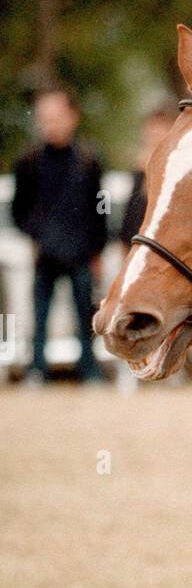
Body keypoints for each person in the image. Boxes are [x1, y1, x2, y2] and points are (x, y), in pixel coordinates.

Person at [12, 87, 107, 382]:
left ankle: (90, 371)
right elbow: (18, 210)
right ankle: (36, 370)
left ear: (72, 117)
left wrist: (96, 250)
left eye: (56, 116)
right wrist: (38, 235)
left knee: (85, 316)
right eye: (45, 118)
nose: (51, 124)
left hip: (81, 254)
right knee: (39, 317)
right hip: (46, 255)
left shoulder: (89, 161)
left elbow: (100, 208)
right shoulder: (28, 162)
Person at [119, 104, 176, 248]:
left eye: (159, 127)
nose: (153, 133)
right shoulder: (139, 169)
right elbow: (131, 214)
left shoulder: (174, 171)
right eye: (151, 128)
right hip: (136, 241)